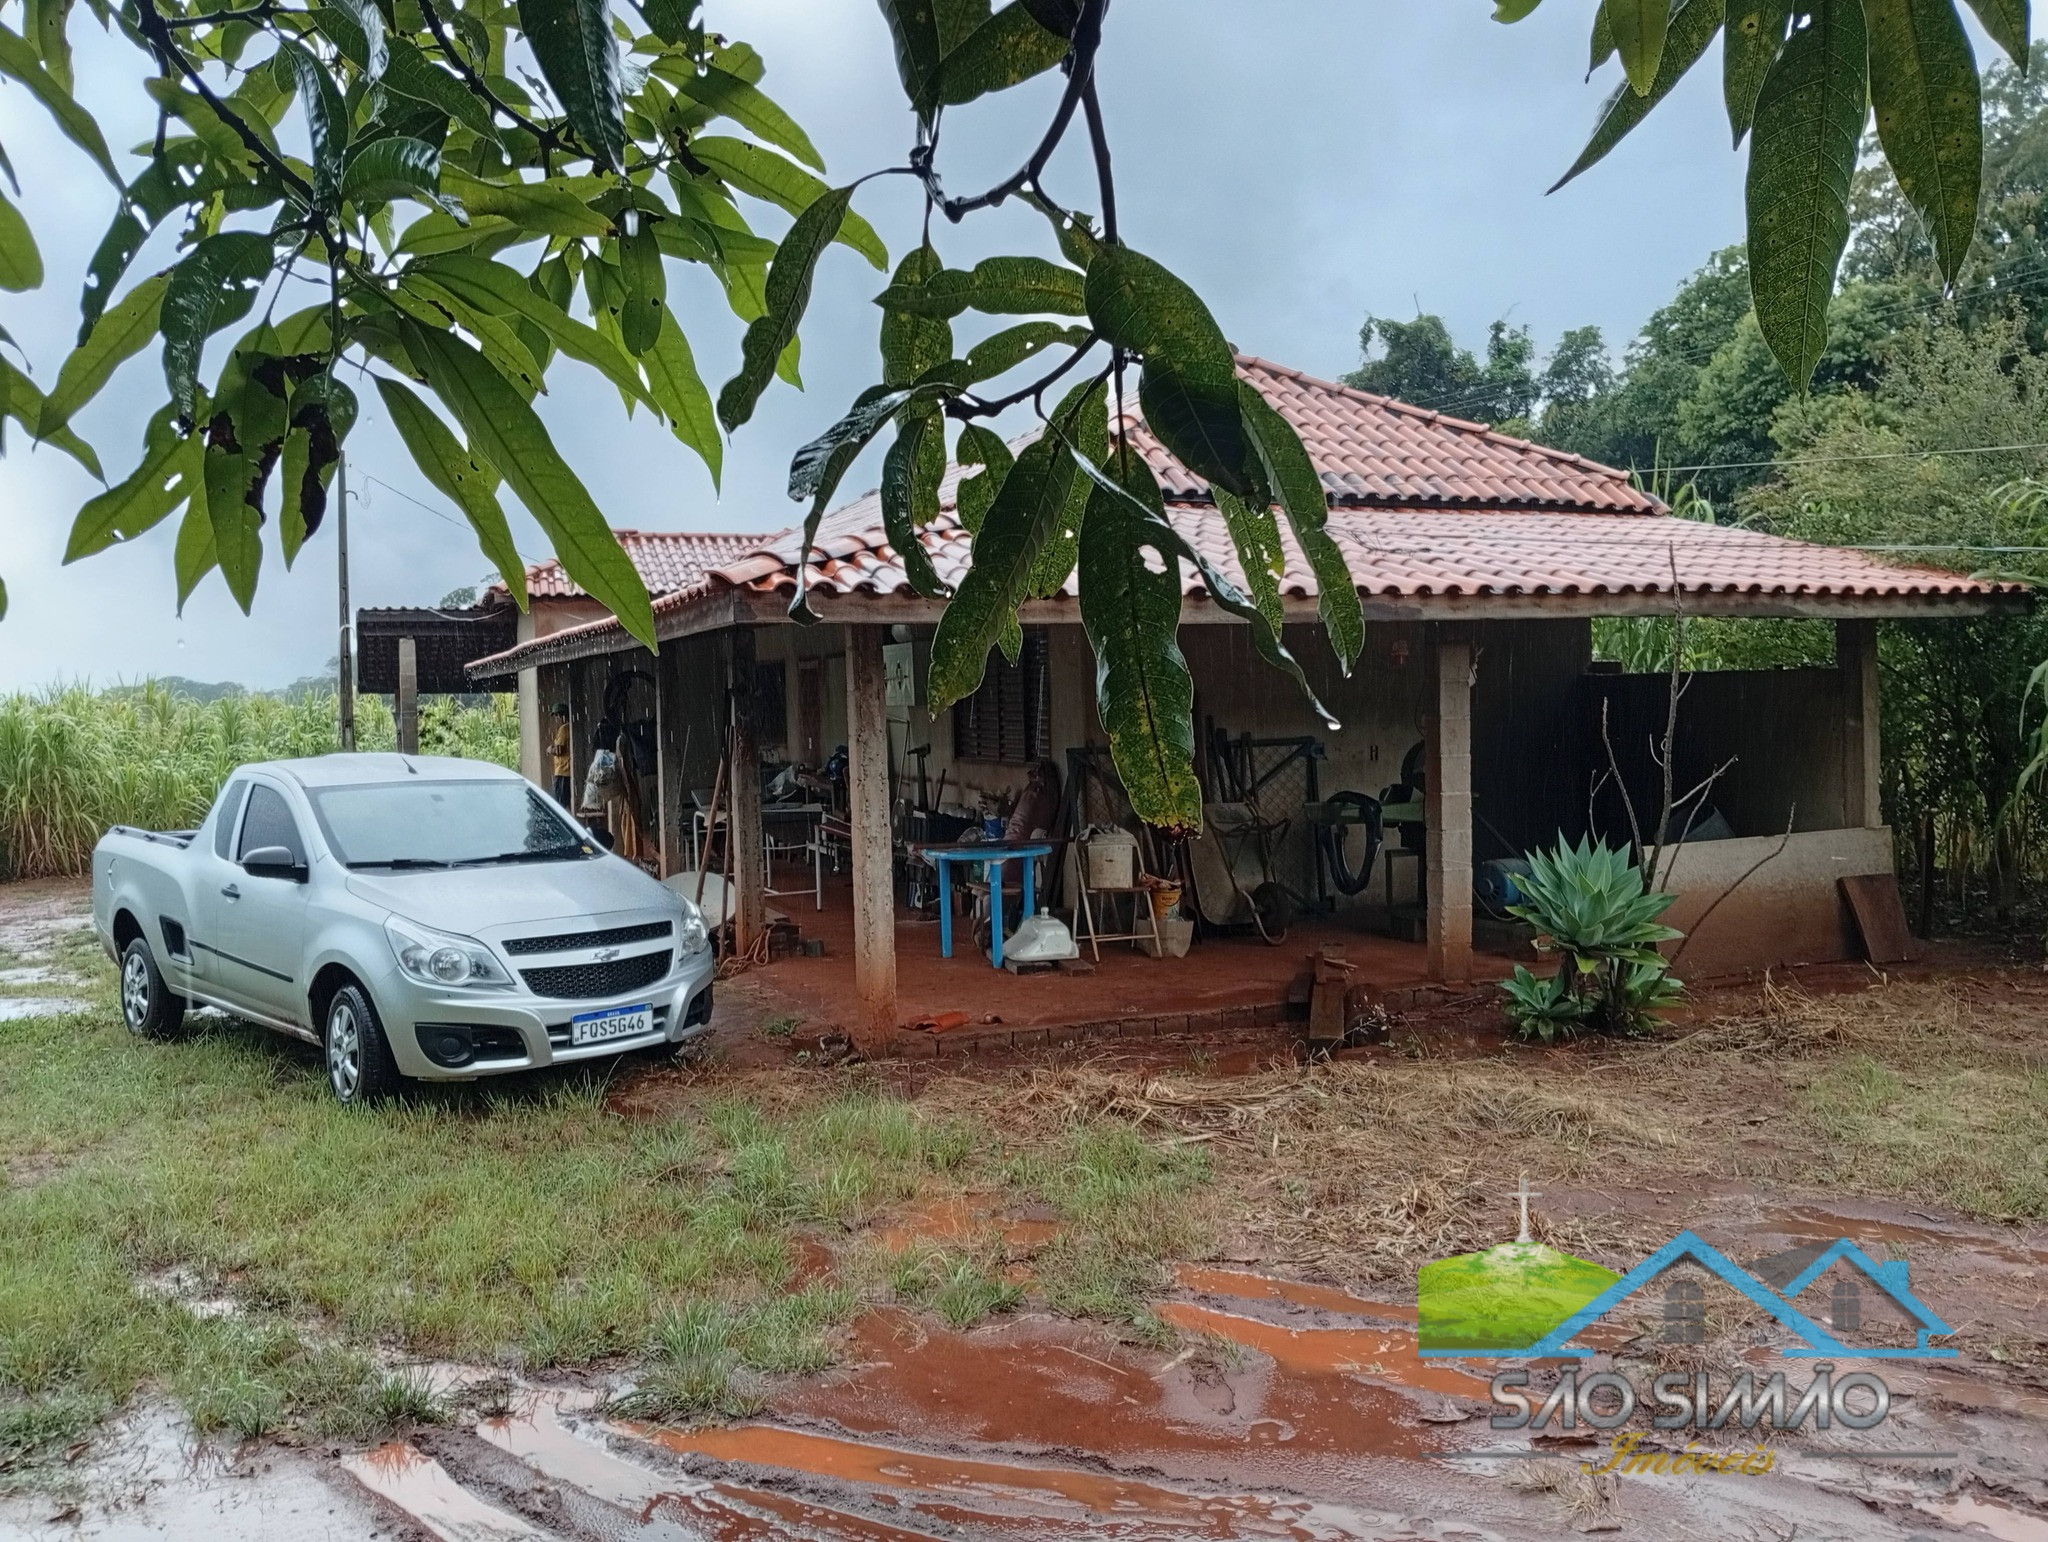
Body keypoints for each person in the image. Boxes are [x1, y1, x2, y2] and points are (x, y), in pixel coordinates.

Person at [549, 703, 572, 807]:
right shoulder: (569, 727)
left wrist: (550, 749)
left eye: (556, 716)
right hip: (566, 772)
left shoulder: (564, 729)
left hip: (563, 771)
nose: (556, 720)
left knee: (559, 804)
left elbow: (559, 750)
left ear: (560, 716)